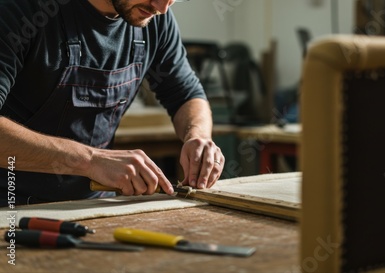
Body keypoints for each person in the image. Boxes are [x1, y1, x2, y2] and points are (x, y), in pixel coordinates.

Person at [0, 0, 225, 206]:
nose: (162, 7)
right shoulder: (20, 10)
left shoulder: (154, 17)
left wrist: (198, 137)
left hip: (90, 207)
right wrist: (91, 161)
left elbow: (186, 94)